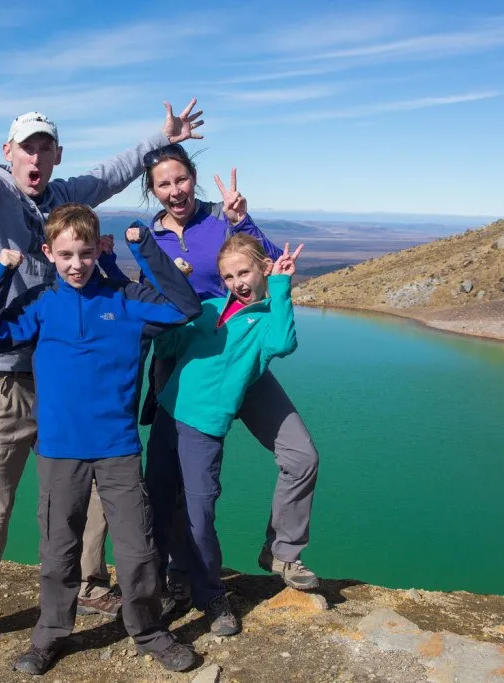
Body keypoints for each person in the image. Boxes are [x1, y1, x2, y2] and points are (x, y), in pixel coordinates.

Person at [0, 22, 204, 657]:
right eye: (26, 149)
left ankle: (89, 584)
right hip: (0, 378)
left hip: (59, 379)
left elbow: (112, 175)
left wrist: (159, 142)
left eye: (45, 148)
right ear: (8, 153)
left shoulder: (61, 201)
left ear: (55, 155)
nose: (35, 158)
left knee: (94, 496)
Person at [0, 204, 202, 675]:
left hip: (117, 448)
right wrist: (0, 270)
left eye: (86, 253)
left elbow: (185, 307)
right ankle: (50, 635)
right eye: (67, 254)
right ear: (50, 253)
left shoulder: (125, 297)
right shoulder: (39, 303)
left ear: (98, 251)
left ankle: (150, 632)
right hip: (59, 452)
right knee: (58, 552)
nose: (77, 264)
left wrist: (143, 247)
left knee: (138, 551)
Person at [139, 144, 321, 596]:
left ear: (193, 178)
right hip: (188, 354)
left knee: (301, 457)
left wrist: (241, 221)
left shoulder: (221, 218)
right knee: (176, 479)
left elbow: (274, 263)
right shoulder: (150, 237)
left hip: (247, 354)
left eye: (181, 179)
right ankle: (178, 573)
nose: (174, 189)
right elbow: (149, 300)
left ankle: (283, 551)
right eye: (164, 183)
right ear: (153, 190)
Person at [146, 235, 304, 636]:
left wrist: (283, 285)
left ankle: (212, 596)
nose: (237, 281)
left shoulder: (267, 320)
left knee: (200, 518)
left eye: (244, 272)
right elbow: (166, 344)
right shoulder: (209, 308)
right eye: (228, 275)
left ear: (262, 270)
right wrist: (171, 307)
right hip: (168, 416)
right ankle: (168, 584)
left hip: (204, 431)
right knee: (161, 510)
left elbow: (285, 342)